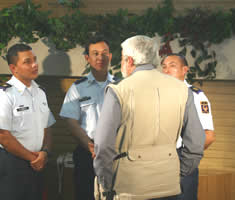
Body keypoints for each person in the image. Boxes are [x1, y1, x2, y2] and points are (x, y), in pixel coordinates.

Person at [93, 35, 205, 200]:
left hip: (128, 188)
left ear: (129, 61)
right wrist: (178, 174)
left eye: (122, 59)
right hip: (169, 186)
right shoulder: (182, 90)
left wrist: (106, 184)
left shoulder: (118, 91)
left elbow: (103, 146)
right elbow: (196, 143)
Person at [0, 43, 56, 200]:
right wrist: (33, 158)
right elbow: (3, 136)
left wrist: (45, 153)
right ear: (14, 68)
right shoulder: (4, 95)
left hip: (37, 165)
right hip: (13, 166)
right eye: (27, 62)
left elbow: (48, 126)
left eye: (35, 60)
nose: (34, 65)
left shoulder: (40, 93)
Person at [59, 35, 117, 200]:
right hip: (86, 154)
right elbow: (70, 122)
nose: (100, 57)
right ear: (87, 58)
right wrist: (90, 146)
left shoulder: (120, 87)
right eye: (95, 53)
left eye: (104, 53)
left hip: (115, 153)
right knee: (85, 195)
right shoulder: (78, 88)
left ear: (110, 56)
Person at [161, 53, 215, 200]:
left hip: (182, 160)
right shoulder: (157, 95)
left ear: (185, 70)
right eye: (164, 67)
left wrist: (184, 164)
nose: (166, 71)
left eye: (172, 66)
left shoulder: (195, 96)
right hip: (158, 163)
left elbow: (208, 136)